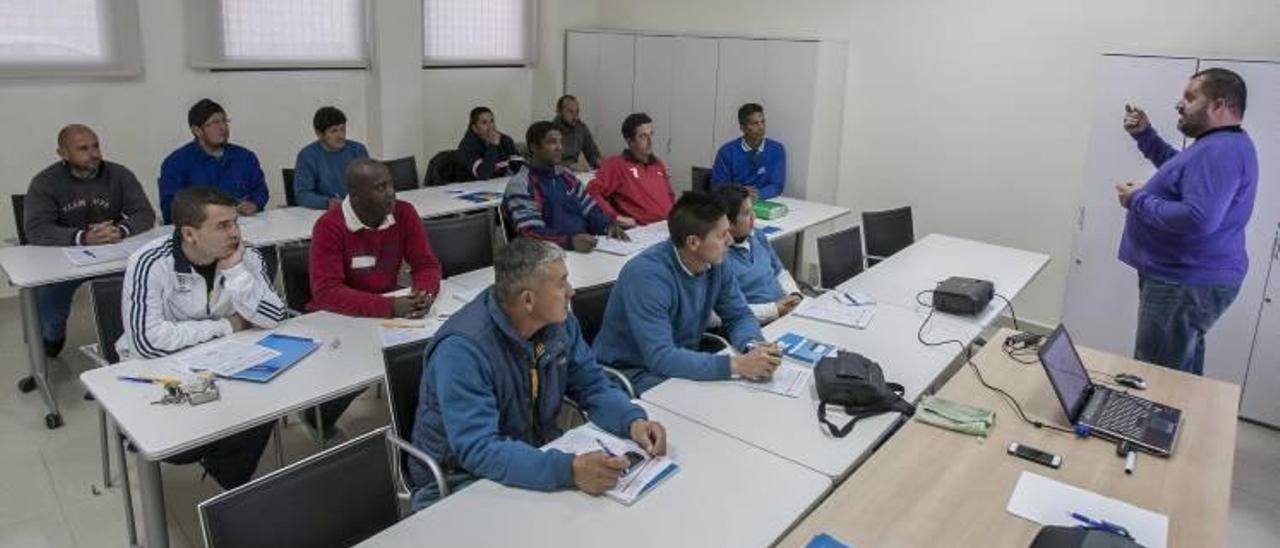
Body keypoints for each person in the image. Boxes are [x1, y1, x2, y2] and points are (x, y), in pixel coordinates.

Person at [409, 238, 667, 509]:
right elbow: (479, 449)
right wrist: (569, 471)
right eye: (561, 283)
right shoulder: (463, 351)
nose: (571, 291)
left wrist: (632, 422)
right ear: (528, 299)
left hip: (530, 455)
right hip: (460, 481)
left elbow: (593, 387)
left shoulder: (559, 324)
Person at [117, 186, 281, 489]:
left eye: (235, 222)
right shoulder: (149, 262)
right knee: (182, 447)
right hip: (159, 368)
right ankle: (216, 459)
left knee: (266, 401)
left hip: (226, 362)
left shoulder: (246, 255)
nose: (235, 233)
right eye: (223, 226)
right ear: (190, 234)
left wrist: (236, 273)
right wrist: (228, 326)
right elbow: (146, 341)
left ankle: (229, 481)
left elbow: (273, 317)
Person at [1117, 67, 1257, 376]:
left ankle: (1146, 423)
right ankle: (1177, 422)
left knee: (1158, 374)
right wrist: (1146, 136)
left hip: (1184, 280)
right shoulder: (1219, 144)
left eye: (1190, 97)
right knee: (1179, 369)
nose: (1179, 103)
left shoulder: (1220, 150)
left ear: (1219, 105)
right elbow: (1177, 171)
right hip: (1186, 278)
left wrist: (1137, 200)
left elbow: (1198, 218)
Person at [306, 159, 444, 441]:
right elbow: (327, 291)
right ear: (355, 194)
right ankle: (316, 415)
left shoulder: (404, 213)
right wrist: (390, 307)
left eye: (391, 184)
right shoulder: (329, 226)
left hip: (382, 312)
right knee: (357, 368)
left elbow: (426, 264)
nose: (392, 192)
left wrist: (424, 292)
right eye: (381, 187)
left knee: (426, 353)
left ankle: (418, 433)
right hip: (338, 317)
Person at [593, 192, 781, 395]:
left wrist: (752, 347)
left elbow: (739, 315)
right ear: (693, 243)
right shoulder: (647, 276)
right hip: (634, 373)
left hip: (681, 362)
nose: (729, 240)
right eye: (721, 235)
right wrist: (737, 365)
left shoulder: (717, 261)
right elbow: (661, 357)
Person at [24, 124, 157, 357]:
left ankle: (122, 347)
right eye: (83, 148)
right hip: (63, 258)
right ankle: (50, 339)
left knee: (138, 282)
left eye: (95, 146)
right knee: (50, 310)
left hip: (111, 253)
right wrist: (82, 237)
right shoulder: (45, 182)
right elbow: (36, 228)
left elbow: (145, 213)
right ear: (63, 154)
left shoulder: (119, 174)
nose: (94, 153)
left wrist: (121, 230)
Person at [503, 121, 630, 253]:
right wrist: (570, 241)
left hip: (583, 250)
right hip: (548, 257)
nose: (559, 148)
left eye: (560, 142)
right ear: (534, 147)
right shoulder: (520, 184)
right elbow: (530, 232)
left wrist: (607, 225)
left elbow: (591, 210)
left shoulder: (566, 176)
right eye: (552, 142)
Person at [159, 98, 269, 223]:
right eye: (215, 123)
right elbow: (170, 209)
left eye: (225, 121)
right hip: (200, 231)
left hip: (245, 225)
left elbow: (260, 191)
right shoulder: (176, 163)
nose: (223, 127)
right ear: (197, 130)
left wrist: (254, 204)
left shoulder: (245, 157)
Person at [711, 184, 803, 324]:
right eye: (747, 213)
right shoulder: (717, 256)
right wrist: (775, 309)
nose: (754, 216)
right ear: (728, 222)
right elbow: (725, 312)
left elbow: (779, 272)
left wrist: (794, 295)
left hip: (787, 312)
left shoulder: (757, 236)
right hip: (759, 323)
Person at [587, 112, 676, 227]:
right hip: (643, 230)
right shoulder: (617, 164)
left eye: (651, 134)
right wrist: (615, 217)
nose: (650, 142)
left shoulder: (657, 164)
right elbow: (592, 192)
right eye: (643, 136)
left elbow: (670, 196)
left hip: (667, 226)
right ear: (630, 141)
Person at [293, 106, 370, 210]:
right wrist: (327, 203)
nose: (341, 135)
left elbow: (371, 182)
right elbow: (302, 195)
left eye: (343, 129)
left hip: (359, 209)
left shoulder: (358, 150)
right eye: (334, 131)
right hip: (325, 212)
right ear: (319, 134)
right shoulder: (307, 156)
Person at [710, 103, 786, 199]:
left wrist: (759, 194)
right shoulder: (727, 152)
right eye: (755, 123)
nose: (761, 127)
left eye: (763, 122)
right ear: (742, 127)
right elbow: (718, 186)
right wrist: (740, 192)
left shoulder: (776, 150)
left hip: (764, 201)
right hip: (735, 203)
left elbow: (777, 185)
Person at [458, 106, 525, 180]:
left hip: (497, 186)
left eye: (492, 121)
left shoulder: (505, 140)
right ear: (474, 128)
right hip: (471, 186)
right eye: (484, 123)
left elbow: (520, 167)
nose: (491, 126)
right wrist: (492, 146)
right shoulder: (467, 146)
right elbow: (484, 174)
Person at [552, 95, 601, 171]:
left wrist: (600, 162)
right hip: (556, 174)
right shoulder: (549, 131)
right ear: (559, 112)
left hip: (576, 174)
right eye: (570, 112)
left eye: (577, 112)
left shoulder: (581, 128)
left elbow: (592, 154)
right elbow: (546, 162)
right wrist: (568, 167)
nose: (575, 117)